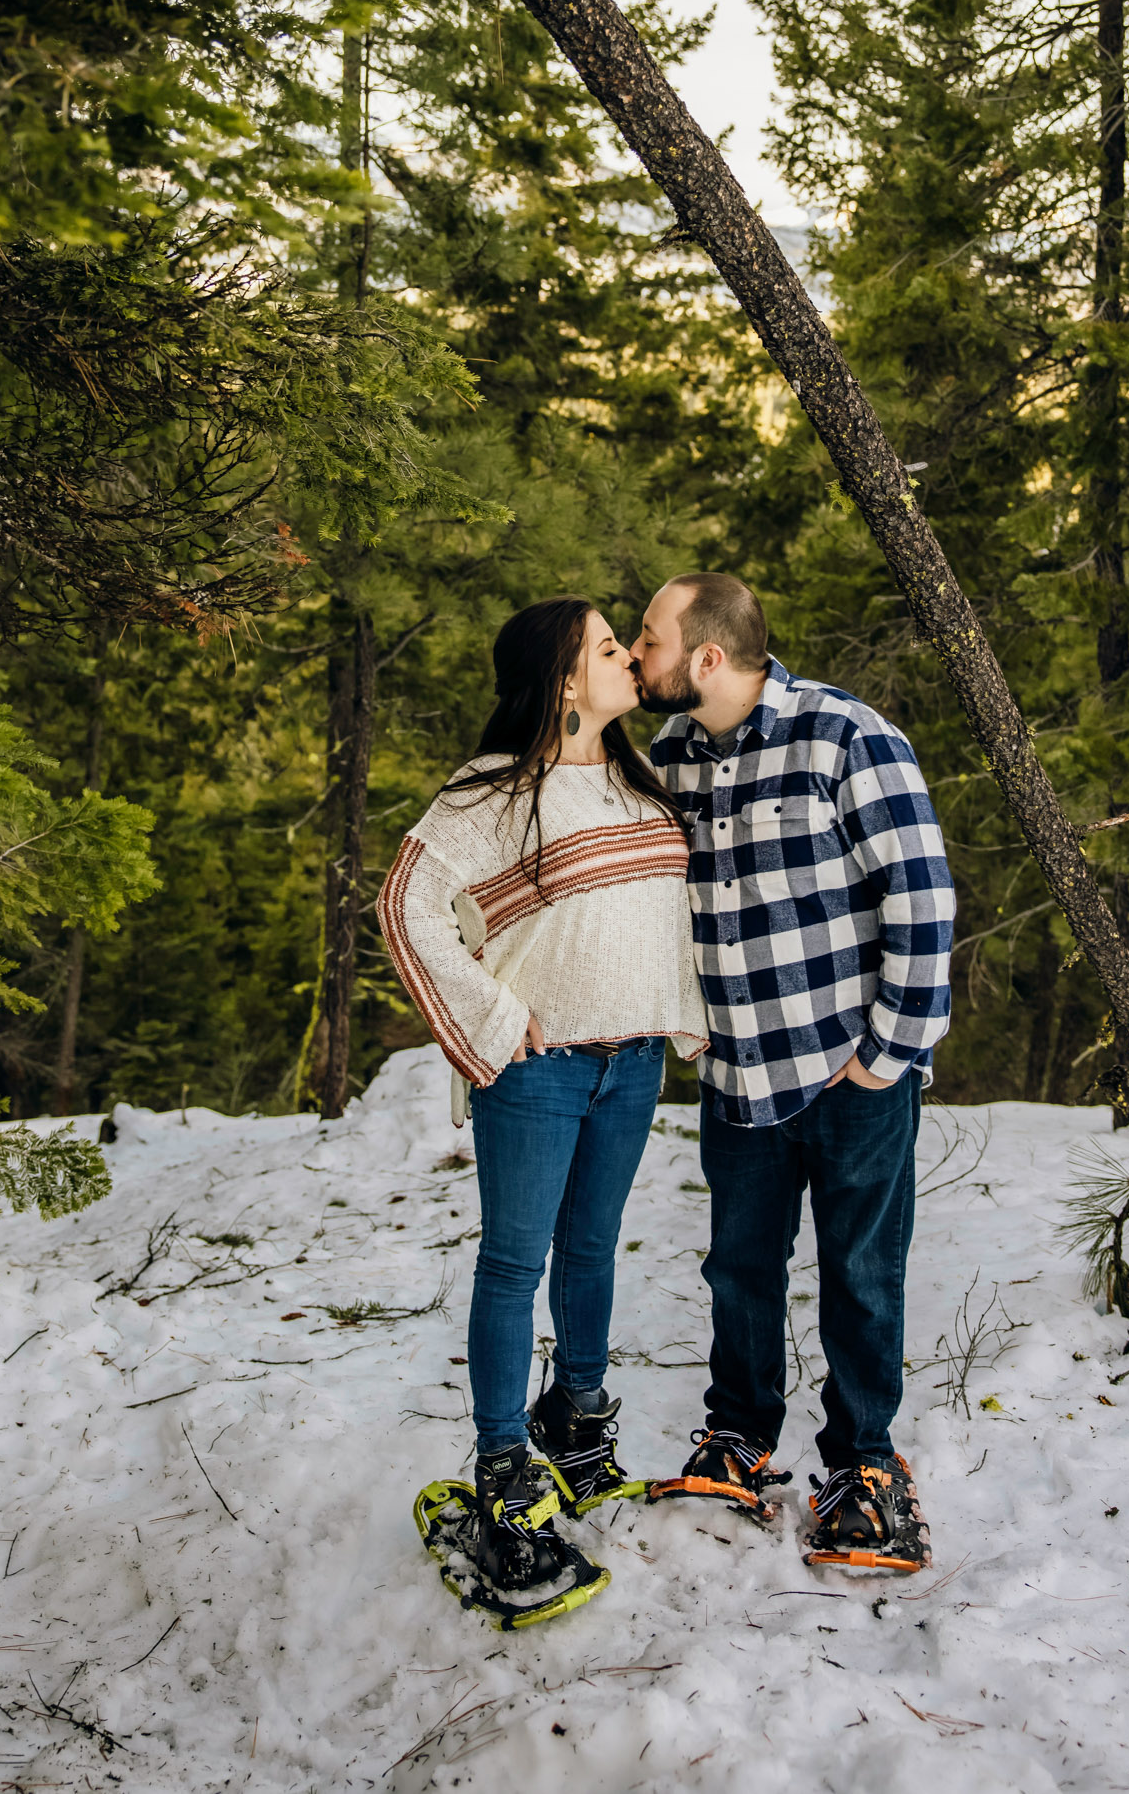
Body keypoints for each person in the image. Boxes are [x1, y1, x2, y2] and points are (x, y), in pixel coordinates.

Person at [377, 596, 707, 1603]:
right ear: (562, 679)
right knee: (515, 1259)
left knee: (594, 1249)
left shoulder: (633, 778)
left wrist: (675, 1013)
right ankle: (502, 1460)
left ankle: (576, 1420)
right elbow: (405, 904)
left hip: (631, 1061)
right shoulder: (489, 791)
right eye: (606, 646)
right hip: (541, 1064)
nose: (623, 656)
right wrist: (483, 1013)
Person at [631, 572, 954, 1572]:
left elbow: (921, 898)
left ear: (708, 657)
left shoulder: (844, 738)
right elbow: (657, 904)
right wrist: (687, 1028)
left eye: (647, 638)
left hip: (848, 1072)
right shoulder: (669, 757)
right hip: (737, 1079)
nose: (637, 656)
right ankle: (736, 1438)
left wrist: (886, 1053)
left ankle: (863, 1465)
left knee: (859, 1273)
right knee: (738, 1270)